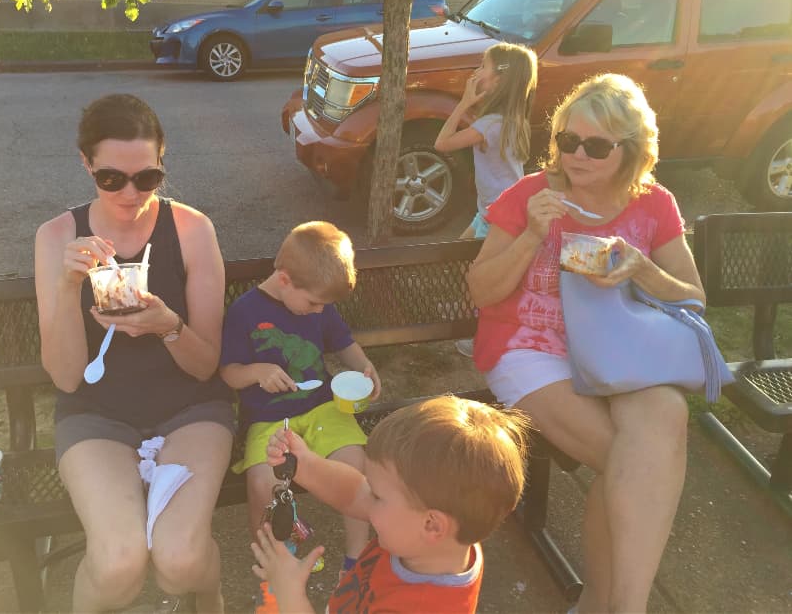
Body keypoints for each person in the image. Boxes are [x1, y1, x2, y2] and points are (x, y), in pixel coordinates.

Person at [467, 74, 703, 613]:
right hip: (528, 347)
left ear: (632, 150)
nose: (576, 155)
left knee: (667, 413)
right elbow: (481, 291)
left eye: (595, 146)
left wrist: (641, 268)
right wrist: (531, 235)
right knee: (626, 459)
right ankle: (608, 605)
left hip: (619, 352)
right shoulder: (531, 195)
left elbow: (693, 298)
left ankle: (621, 605)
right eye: (567, 140)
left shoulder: (654, 205)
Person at [34, 93, 234, 613]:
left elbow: (206, 364)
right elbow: (66, 378)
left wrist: (169, 326)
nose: (130, 192)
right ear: (86, 164)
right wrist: (65, 286)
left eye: (147, 177)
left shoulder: (191, 229)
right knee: (119, 562)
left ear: (162, 163)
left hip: (190, 409)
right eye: (111, 179)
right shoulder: (58, 236)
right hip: (97, 415)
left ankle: (210, 598)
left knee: (181, 563)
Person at [218, 221, 382, 600]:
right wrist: (257, 372)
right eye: (313, 303)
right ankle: (277, 562)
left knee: (356, 463)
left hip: (323, 409)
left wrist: (365, 368)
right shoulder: (245, 311)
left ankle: (356, 559)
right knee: (263, 483)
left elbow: (343, 341)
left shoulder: (316, 304)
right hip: (268, 419)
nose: (318, 311)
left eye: (324, 306)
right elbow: (229, 373)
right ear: (285, 279)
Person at [250, 395, 528, 613]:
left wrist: (288, 596)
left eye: (378, 496)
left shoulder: (421, 607)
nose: (368, 500)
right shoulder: (445, 533)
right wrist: (306, 465)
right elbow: (354, 492)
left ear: (432, 525)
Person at [434, 42, 538, 358]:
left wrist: (464, 102)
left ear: (500, 80)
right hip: (495, 209)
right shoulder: (510, 117)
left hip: (500, 214)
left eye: (483, 67)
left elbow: (442, 143)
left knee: (481, 272)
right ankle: (469, 307)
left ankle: (479, 330)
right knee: (461, 254)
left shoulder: (489, 124)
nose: (477, 72)